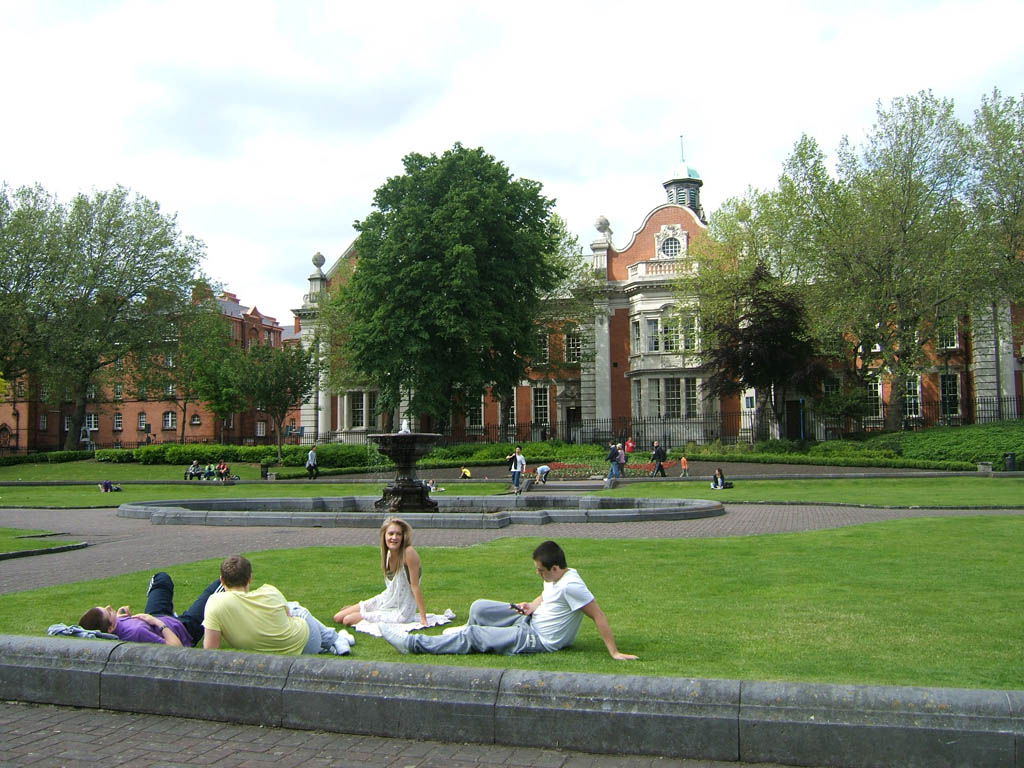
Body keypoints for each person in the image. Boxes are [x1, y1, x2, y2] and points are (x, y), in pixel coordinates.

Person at [379, 540, 637, 660]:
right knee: (479, 606)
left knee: (475, 638)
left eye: (541, 571)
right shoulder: (559, 578)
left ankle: (414, 644)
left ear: (555, 568)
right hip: (530, 620)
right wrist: (532, 606)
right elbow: (547, 594)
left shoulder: (573, 586)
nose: (538, 574)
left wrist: (614, 652)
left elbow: (598, 615)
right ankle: (468, 627)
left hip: (538, 639)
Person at [203, 555, 352, 655]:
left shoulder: (214, 603)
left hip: (300, 644)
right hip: (308, 643)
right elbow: (288, 616)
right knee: (294, 608)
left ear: (222, 580)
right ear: (250, 579)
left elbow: (210, 649)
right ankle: (336, 639)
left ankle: (335, 640)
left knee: (292, 610)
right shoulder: (269, 592)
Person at [78, 571, 223, 647]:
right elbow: (176, 647)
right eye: (108, 612)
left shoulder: (115, 628)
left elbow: (121, 627)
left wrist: (123, 616)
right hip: (183, 629)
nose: (109, 607)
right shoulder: (137, 632)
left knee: (161, 578)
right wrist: (158, 623)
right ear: (109, 628)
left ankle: (169, 613)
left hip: (156, 616)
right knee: (219, 586)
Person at [334, 517, 429, 628]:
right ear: (384, 535)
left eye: (398, 534)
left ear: (403, 537)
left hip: (401, 610)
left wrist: (423, 618)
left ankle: (364, 614)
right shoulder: (388, 554)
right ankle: (364, 611)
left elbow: (415, 587)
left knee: (347, 620)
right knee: (338, 617)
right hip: (386, 599)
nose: (394, 537)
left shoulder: (408, 553)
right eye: (391, 534)